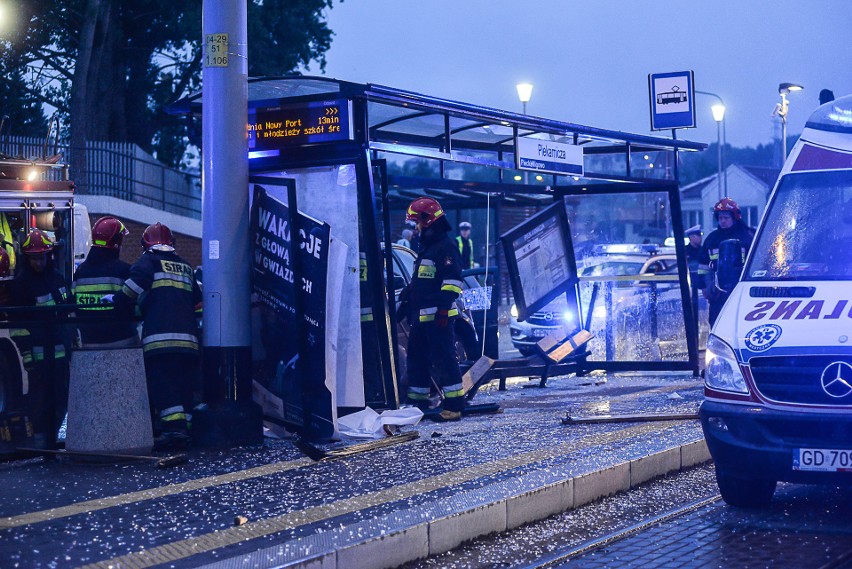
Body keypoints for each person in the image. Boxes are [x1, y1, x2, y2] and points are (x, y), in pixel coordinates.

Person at [114, 222, 201, 448]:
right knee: (184, 388)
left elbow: (129, 292)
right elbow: (198, 304)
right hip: (189, 343)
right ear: (172, 243)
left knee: (164, 387)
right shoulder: (185, 266)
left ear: (145, 245)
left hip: (159, 343)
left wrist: (117, 302)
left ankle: (175, 431)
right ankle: (188, 431)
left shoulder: (147, 262)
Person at [400, 197, 466, 421]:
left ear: (428, 221)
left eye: (417, 222)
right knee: (417, 360)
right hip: (422, 319)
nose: (415, 227)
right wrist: (409, 292)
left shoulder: (445, 247)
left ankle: (455, 405)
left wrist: (443, 309)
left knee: (444, 359)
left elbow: (453, 281)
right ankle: (417, 403)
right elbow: (425, 280)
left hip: (439, 318)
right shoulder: (428, 247)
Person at [10, 229, 73, 448]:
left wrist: (73, 342)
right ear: (27, 258)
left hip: (61, 354)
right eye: (34, 257)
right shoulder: (22, 284)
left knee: (61, 399)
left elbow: (68, 312)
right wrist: (28, 357)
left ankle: (52, 440)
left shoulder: (57, 279)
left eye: (42, 256)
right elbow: (18, 327)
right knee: (40, 401)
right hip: (39, 356)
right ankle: (42, 443)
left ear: (49, 255)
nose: (38, 262)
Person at [72, 216, 139, 347]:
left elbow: (73, 305)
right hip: (124, 343)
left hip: (89, 344)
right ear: (117, 242)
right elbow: (137, 308)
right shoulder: (124, 271)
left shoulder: (80, 272)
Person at [698, 198, 756, 326]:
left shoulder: (748, 236)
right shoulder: (712, 239)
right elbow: (703, 266)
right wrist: (705, 286)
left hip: (742, 290)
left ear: (735, 217)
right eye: (720, 218)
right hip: (717, 293)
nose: (722, 221)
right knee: (717, 323)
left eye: (726, 218)